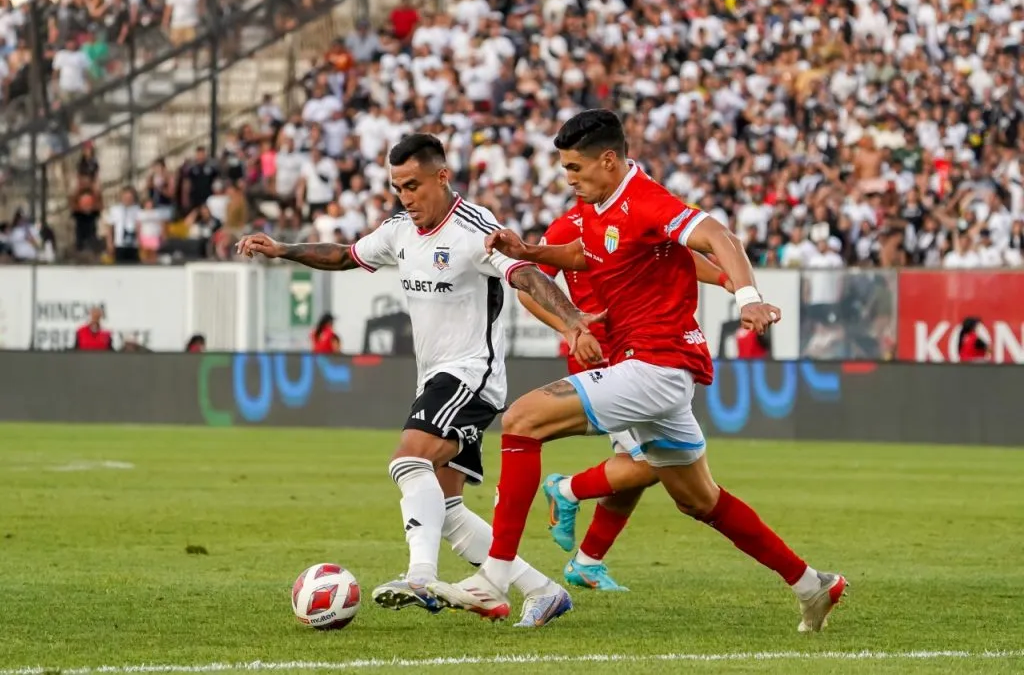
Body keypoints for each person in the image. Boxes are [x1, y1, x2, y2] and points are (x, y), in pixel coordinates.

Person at [428, 110, 847, 633]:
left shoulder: (646, 199)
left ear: (609, 159)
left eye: (575, 168)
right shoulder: (598, 206)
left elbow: (718, 234)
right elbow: (587, 255)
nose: (569, 178)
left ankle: (493, 575)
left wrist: (747, 296)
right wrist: (529, 249)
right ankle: (814, 585)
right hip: (655, 372)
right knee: (700, 500)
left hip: (657, 364)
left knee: (522, 420)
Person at [237, 133, 600, 627]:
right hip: (435, 379)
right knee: (447, 509)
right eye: (397, 188)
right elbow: (344, 254)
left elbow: (526, 276)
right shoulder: (399, 231)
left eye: (413, 185)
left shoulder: (476, 229)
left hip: (471, 374)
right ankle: (542, 590)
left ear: (442, 176)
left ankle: (420, 576)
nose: (406, 198)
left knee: (407, 460)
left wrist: (572, 321)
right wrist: (282, 249)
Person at [518, 211, 735, 592]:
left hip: (643, 351)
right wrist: (571, 329)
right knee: (651, 464)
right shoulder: (572, 225)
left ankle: (588, 561)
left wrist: (722, 276)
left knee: (639, 465)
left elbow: (678, 254)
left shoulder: (635, 213)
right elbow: (527, 287)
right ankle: (566, 489)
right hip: (603, 355)